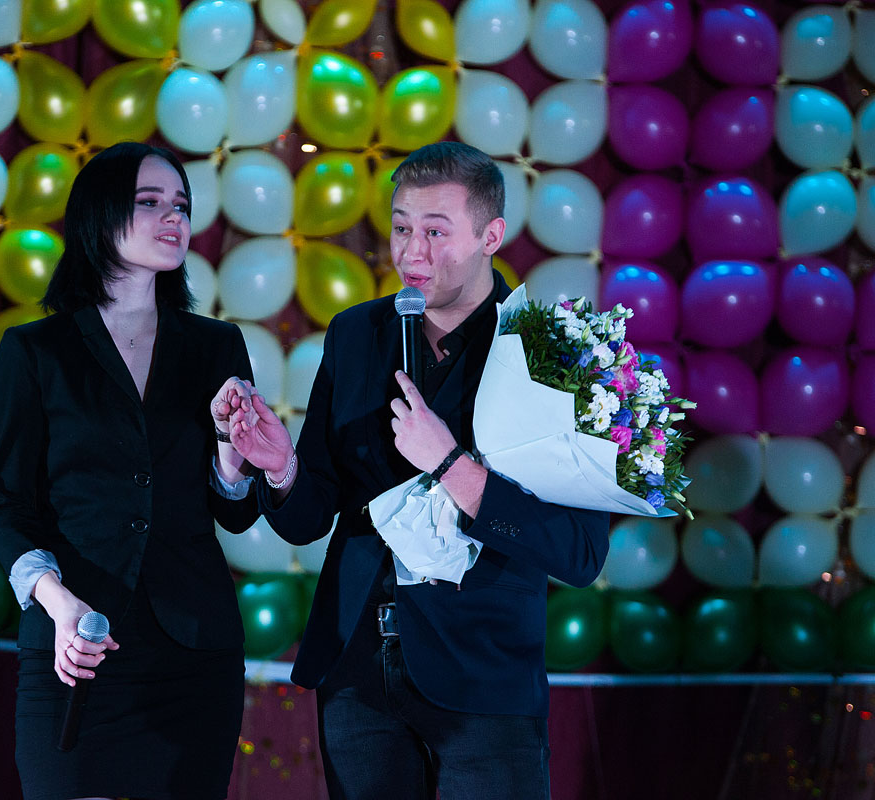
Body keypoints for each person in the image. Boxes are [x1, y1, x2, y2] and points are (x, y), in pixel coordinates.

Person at [228, 141, 611, 799]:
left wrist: (451, 465)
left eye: (436, 232)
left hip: (483, 675)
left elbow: (579, 554)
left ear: (491, 235)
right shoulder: (356, 335)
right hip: (357, 672)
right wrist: (280, 466)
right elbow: (309, 517)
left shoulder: (553, 353)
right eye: (402, 228)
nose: (412, 253)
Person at [0, 141, 261, 800]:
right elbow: (7, 504)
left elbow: (236, 509)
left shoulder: (216, 346)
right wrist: (57, 604)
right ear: (100, 216)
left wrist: (231, 450)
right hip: (76, 641)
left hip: (193, 650)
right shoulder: (35, 350)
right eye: (150, 201)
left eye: (182, 205)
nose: (174, 217)